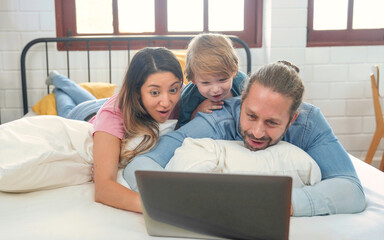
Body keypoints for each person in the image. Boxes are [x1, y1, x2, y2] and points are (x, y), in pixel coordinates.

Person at [123, 61, 366, 217]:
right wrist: (174, 200)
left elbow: (350, 188)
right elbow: (143, 163)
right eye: (251, 116)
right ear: (241, 102)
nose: (258, 132)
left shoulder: (309, 123)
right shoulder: (218, 118)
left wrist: (279, 204)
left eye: (272, 123)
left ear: (291, 120)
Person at [85, 47, 182, 212]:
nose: (166, 102)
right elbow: (103, 189)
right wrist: (157, 207)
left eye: (173, 89)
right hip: (86, 112)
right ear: (137, 92)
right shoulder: (112, 114)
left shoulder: (183, 95)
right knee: (68, 104)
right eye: (154, 92)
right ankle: (60, 83)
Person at [177, 33, 248, 128]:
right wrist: (197, 111)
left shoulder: (243, 83)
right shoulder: (188, 98)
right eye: (205, 83)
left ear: (234, 72)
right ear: (193, 79)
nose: (215, 89)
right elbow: (182, 128)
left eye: (222, 80)